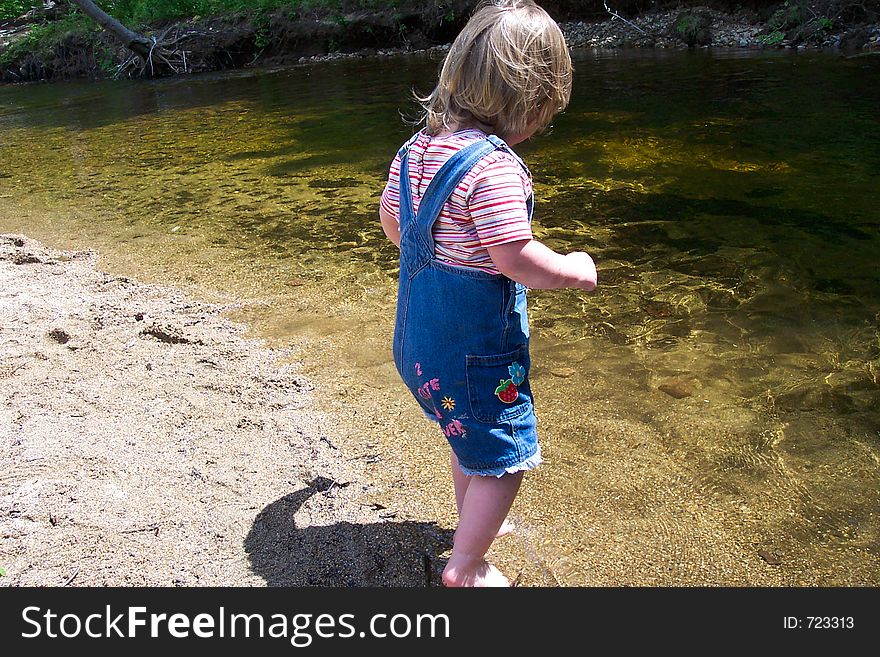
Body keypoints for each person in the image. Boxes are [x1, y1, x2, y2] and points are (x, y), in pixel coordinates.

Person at [378, 0, 597, 587]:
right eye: (544, 116)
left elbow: (396, 227)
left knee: (466, 429)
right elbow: (515, 259)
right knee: (505, 453)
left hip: (418, 343)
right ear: (528, 103)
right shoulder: (497, 168)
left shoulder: (415, 151)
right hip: (475, 353)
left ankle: (474, 521)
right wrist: (573, 269)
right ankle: (467, 567)